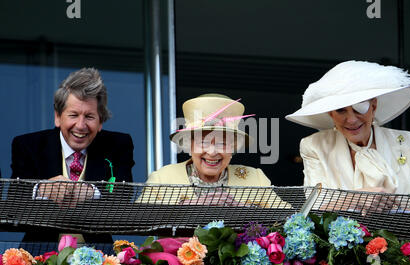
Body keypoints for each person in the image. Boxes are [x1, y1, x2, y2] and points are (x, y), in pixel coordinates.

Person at [285, 60, 410, 215]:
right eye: (341, 110)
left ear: (373, 106)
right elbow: (314, 209)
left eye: (359, 108)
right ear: (331, 113)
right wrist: (356, 198)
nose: (351, 120)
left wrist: (390, 207)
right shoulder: (314, 146)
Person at [10, 67, 135, 249]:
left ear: (100, 121)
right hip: (38, 255)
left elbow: (123, 195)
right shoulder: (28, 145)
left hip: (99, 258)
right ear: (58, 117)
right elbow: (14, 200)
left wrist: (92, 191)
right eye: (73, 115)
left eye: (90, 116)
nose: (81, 125)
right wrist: (41, 189)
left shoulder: (118, 145)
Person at [137, 93, 291, 209]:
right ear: (189, 146)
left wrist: (242, 211)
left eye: (222, 143)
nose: (211, 152)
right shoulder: (162, 179)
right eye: (202, 142)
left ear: (233, 147)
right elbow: (138, 218)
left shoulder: (255, 179)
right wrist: (190, 206)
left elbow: (288, 217)